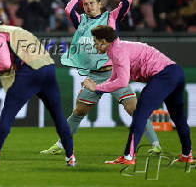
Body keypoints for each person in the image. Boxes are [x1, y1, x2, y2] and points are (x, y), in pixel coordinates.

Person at [40, 0, 161, 155]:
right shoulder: (81, 21)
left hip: (114, 72)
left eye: (92, 3)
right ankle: (61, 145)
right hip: (94, 76)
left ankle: (156, 145)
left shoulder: (111, 17)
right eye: (85, 4)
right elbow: (68, 9)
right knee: (78, 111)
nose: (88, 7)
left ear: (100, 4)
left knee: (134, 109)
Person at [0, 11, 75, 167]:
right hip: (48, 67)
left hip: (30, 72)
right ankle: (70, 157)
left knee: (8, 113)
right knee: (58, 116)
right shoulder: (14, 29)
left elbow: (5, 64)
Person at [82, 25, 192, 165]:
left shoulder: (117, 51)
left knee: (139, 114)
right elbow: (114, 78)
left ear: (103, 41)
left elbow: (122, 82)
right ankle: (187, 155)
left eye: (95, 41)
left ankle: (128, 157)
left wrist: (97, 87)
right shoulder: (117, 48)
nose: (94, 45)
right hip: (175, 72)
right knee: (178, 117)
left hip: (163, 76)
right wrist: (96, 89)